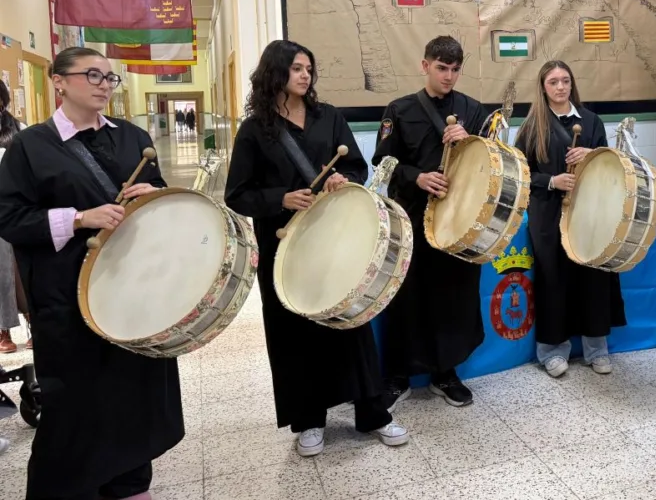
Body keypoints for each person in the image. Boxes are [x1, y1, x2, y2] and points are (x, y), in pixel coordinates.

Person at [0, 46, 183, 500]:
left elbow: (158, 199)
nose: (104, 85)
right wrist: (80, 219)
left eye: (109, 77)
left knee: (136, 391)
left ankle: (130, 483)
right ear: (59, 82)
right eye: (93, 75)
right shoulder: (30, 146)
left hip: (134, 288)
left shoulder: (132, 137)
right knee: (76, 401)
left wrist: (153, 193)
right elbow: (9, 218)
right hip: (66, 295)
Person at [224, 40, 408, 458]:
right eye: (296, 68)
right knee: (294, 331)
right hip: (285, 246)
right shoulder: (254, 129)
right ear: (275, 73)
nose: (305, 75)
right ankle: (308, 419)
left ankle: (372, 413)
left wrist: (344, 179)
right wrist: (281, 198)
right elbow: (237, 194)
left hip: (335, 235)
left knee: (350, 323)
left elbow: (356, 166)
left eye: (309, 68)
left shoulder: (329, 117)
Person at [372, 35, 489, 410]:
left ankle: (445, 373)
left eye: (454, 69)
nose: (448, 76)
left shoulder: (474, 110)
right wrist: (417, 177)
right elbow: (383, 163)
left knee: (453, 296)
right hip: (411, 217)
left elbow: (490, 163)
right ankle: (397, 376)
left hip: (458, 219)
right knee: (406, 296)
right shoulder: (399, 109)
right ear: (425, 66)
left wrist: (471, 142)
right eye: (441, 68)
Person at [514, 61, 624, 377]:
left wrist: (591, 155)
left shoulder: (591, 121)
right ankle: (552, 351)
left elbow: (609, 165)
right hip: (548, 213)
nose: (561, 87)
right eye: (553, 82)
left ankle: (597, 350)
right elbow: (521, 173)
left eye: (565, 81)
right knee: (553, 279)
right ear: (543, 87)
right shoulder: (531, 126)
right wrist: (553, 181)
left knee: (593, 277)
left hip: (589, 210)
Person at [0, 80, 27, 355]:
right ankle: (3, 330)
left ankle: (33, 324)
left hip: (15, 207)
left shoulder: (21, 131)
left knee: (20, 268)